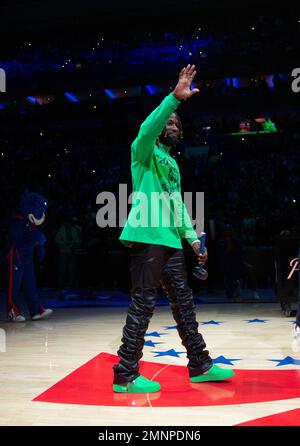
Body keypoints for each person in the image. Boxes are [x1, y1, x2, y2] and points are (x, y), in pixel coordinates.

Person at [113, 65, 234, 393]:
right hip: (146, 236)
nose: (172, 125)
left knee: (184, 302)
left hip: (170, 241)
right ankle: (125, 373)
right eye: (168, 121)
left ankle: (199, 364)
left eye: (176, 124)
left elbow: (178, 205)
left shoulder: (173, 163)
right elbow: (147, 127)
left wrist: (193, 240)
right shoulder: (143, 151)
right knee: (143, 303)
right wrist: (173, 100)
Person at [5, 192, 53, 322]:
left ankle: (36, 311)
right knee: (14, 284)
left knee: (30, 283)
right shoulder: (18, 220)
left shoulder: (30, 222)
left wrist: (39, 244)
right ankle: (12, 311)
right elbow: (15, 238)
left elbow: (36, 237)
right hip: (16, 255)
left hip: (27, 257)